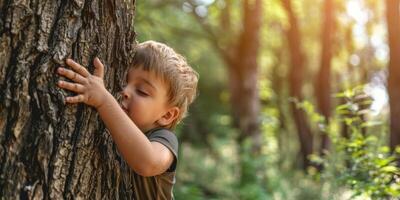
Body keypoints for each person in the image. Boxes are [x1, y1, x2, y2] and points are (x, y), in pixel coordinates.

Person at [56, 41, 199, 199]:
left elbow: (147, 162)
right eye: (123, 80)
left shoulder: (165, 139)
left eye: (142, 91)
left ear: (167, 115)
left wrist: (104, 99)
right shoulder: (113, 128)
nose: (125, 90)